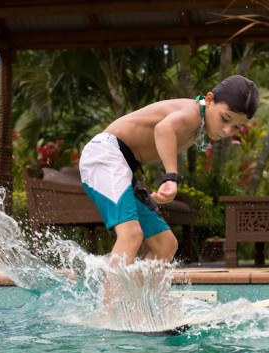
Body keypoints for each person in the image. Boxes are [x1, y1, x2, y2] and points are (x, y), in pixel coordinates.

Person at [79, 75, 259, 268]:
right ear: (209, 100)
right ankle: (111, 297)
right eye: (225, 118)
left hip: (122, 165)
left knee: (165, 245)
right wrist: (171, 177)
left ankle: (135, 295)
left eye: (237, 127)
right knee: (131, 234)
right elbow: (163, 129)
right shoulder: (193, 113)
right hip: (105, 154)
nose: (226, 130)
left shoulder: (199, 124)